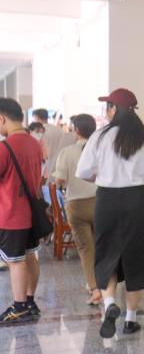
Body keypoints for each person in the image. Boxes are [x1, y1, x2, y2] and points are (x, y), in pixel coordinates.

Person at [76, 88, 144, 338]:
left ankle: (110, 303)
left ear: (114, 110)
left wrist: (102, 177)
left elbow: (82, 172)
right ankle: (130, 320)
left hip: (107, 200)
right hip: (136, 200)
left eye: (108, 107)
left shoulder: (99, 136)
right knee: (137, 257)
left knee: (107, 254)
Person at [0, 98, 45, 324]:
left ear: (2, 118)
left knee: (15, 261)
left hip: (12, 214)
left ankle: (18, 307)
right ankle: (29, 301)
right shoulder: (34, 143)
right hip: (31, 212)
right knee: (30, 257)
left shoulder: (5, 147)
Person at [53, 114, 101, 307]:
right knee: (101, 246)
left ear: (77, 130)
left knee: (85, 248)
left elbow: (60, 180)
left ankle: (94, 288)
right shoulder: (101, 149)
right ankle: (106, 286)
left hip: (77, 206)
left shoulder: (67, 152)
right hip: (101, 203)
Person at [32, 108, 75, 182]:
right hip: (57, 166)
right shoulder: (59, 130)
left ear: (37, 117)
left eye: (34, 118)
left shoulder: (37, 131)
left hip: (43, 168)